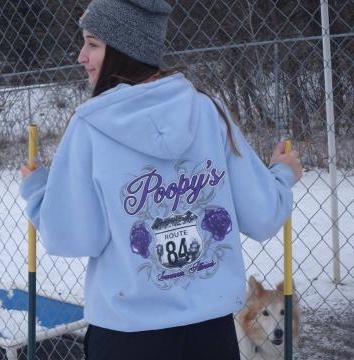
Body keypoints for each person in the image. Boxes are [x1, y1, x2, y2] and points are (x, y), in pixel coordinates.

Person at [19, 0, 303, 359]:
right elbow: (263, 214)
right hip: (210, 336)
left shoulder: (89, 127)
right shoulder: (207, 111)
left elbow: (71, 235)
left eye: (93, 44)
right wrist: (281, 173)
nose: (80, 56)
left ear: (125, 50)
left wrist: (38, 191)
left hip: (126, 337)